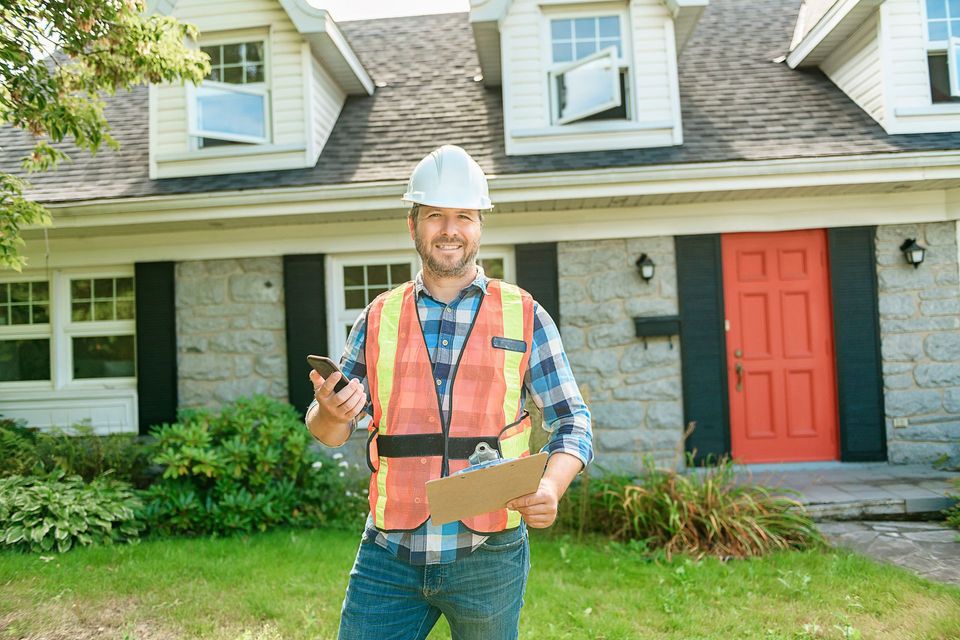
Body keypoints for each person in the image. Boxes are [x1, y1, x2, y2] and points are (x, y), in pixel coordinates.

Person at [305, 144, 592, 640]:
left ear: (480, 225)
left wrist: (551, 486)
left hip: (490, 554)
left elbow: (574, 420)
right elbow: (328, 430)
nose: (450, 229)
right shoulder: (378, 318)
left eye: (463, 215)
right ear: (413, 224)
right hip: (388, 553)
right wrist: (330, 411)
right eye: (435, 215)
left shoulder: (524, 314)